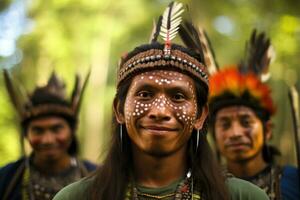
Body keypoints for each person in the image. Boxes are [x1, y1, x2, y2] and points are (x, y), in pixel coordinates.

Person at [54, 2, 269, 200]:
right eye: (145, 95)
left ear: (200, 116)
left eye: (178, 96)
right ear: (119, 110)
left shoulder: (244, 196)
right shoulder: (76, 197)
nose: (160, 111)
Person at [208, 30, 300, 199]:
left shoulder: (294, 181)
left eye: (246, 122)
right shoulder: (204, 187)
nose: (235, 133)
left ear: (268, 130)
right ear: (214, 133)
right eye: (225, 124)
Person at [0, 70, 97, 200]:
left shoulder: (98, 179)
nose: (48, 140)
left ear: (72, 130)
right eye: (38, 131)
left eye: (56, 129)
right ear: (26, 134)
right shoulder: (6, 178)